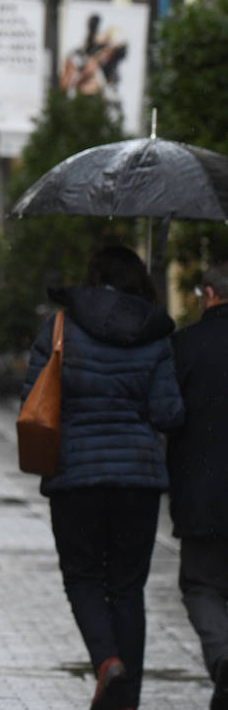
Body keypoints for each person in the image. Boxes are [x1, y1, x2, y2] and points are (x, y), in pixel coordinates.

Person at [20, 244, 184, 710]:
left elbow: (33, 397)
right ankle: (126, 698)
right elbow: (168, 412)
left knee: (83, 576)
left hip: (75, 475)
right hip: (138, 476)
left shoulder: (59, 326)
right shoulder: (155, 331)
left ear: (92, 278)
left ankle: (106, 662)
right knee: (128, 587)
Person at [168, 262, 228, 709]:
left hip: (202, 494)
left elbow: (167, 414)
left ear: (209, 293)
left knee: (201, 586)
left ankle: (224, 657)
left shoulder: (184, 346)